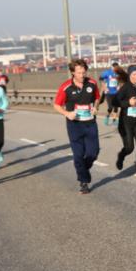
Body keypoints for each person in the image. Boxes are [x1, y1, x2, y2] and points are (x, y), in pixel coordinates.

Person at [53, 59, 101, 194]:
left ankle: (83, 171)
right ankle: (84, 181)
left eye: (83, 72)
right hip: (74, 125)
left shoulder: (92, 83)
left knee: (93, 153)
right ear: (73, 73)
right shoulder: (65, 87)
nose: (82, 75)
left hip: (90, 123)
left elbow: (97, 98)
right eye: (79, 73)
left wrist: (96, 107)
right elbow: (56, 105)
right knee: (78, 155)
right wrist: (67, 113)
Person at [114, 65, 136, 176]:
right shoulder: (125, 88)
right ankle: (121, 156)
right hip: (126, 122)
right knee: (129, 147)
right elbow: (115, 102)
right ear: (130, 75)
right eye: (134, 74)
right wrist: (128, 103)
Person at [100, 61, 122, 126]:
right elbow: (101, 79)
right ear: (112, 67)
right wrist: (104, 87)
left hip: (116, 92)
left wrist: (118, 86)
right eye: (114, 68)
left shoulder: (118, 73)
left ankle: (114, 120)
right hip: (108, 92)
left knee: (116, 107)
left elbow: (120, 81)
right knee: (110, 107)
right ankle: (107, 117)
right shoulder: (107, 72)